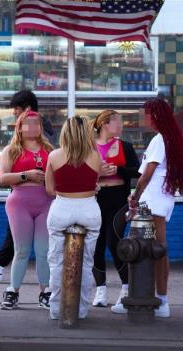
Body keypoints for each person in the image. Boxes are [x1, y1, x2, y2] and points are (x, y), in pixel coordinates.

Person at [0, 90, 54, 283]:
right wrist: (9, 171)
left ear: (27, 108)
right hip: (22, 194)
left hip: (40, 194)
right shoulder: (19, 140)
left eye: (16, 110)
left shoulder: (41, 130)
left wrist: (23, 174)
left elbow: (48, 157)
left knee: (34, 245)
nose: (15, 114)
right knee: (19, 239)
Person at [127, 99, 183, 318]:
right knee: (153, 250)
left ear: (154, 116)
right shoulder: (167, 139)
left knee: (149, 250)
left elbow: (147, 174)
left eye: (145, 114)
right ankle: (144, 297)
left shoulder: (158, 140)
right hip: (159, 199)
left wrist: (134, 197)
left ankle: (159, 301)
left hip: (152, 200)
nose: (142, 118)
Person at [45, 116, 103, 320]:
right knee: (87, 263)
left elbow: (50, 190)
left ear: (64, 132)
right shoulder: (97, 157)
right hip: (89, 209)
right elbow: (91, 184)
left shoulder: (54, 156)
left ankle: (55, 310)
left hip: (62, 208)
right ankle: (81, 310)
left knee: (57, 261)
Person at [0, 110, 54, 310]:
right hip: (19, 202)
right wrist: (26, 175)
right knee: (21, 250)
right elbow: (3, 178)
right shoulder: (11, 150)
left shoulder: (49, 149)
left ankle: (46, 291)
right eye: (27, 123)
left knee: (43, 251)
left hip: (46, 202)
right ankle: (12, 291)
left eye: (36, 123)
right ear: (19, 127)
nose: (32, 127)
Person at [91, 110, 140, 314]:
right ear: (104, 124)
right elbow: (80, 171)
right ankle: (100, 290)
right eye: (116, 122)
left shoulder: (125, 146)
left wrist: (117, 170)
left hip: (118, 199)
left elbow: (137, 171)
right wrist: (98, 173)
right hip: (96, 198)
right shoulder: (89, 147)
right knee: (96, 243)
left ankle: (126, 287)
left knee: (115, 241)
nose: (120, 126)